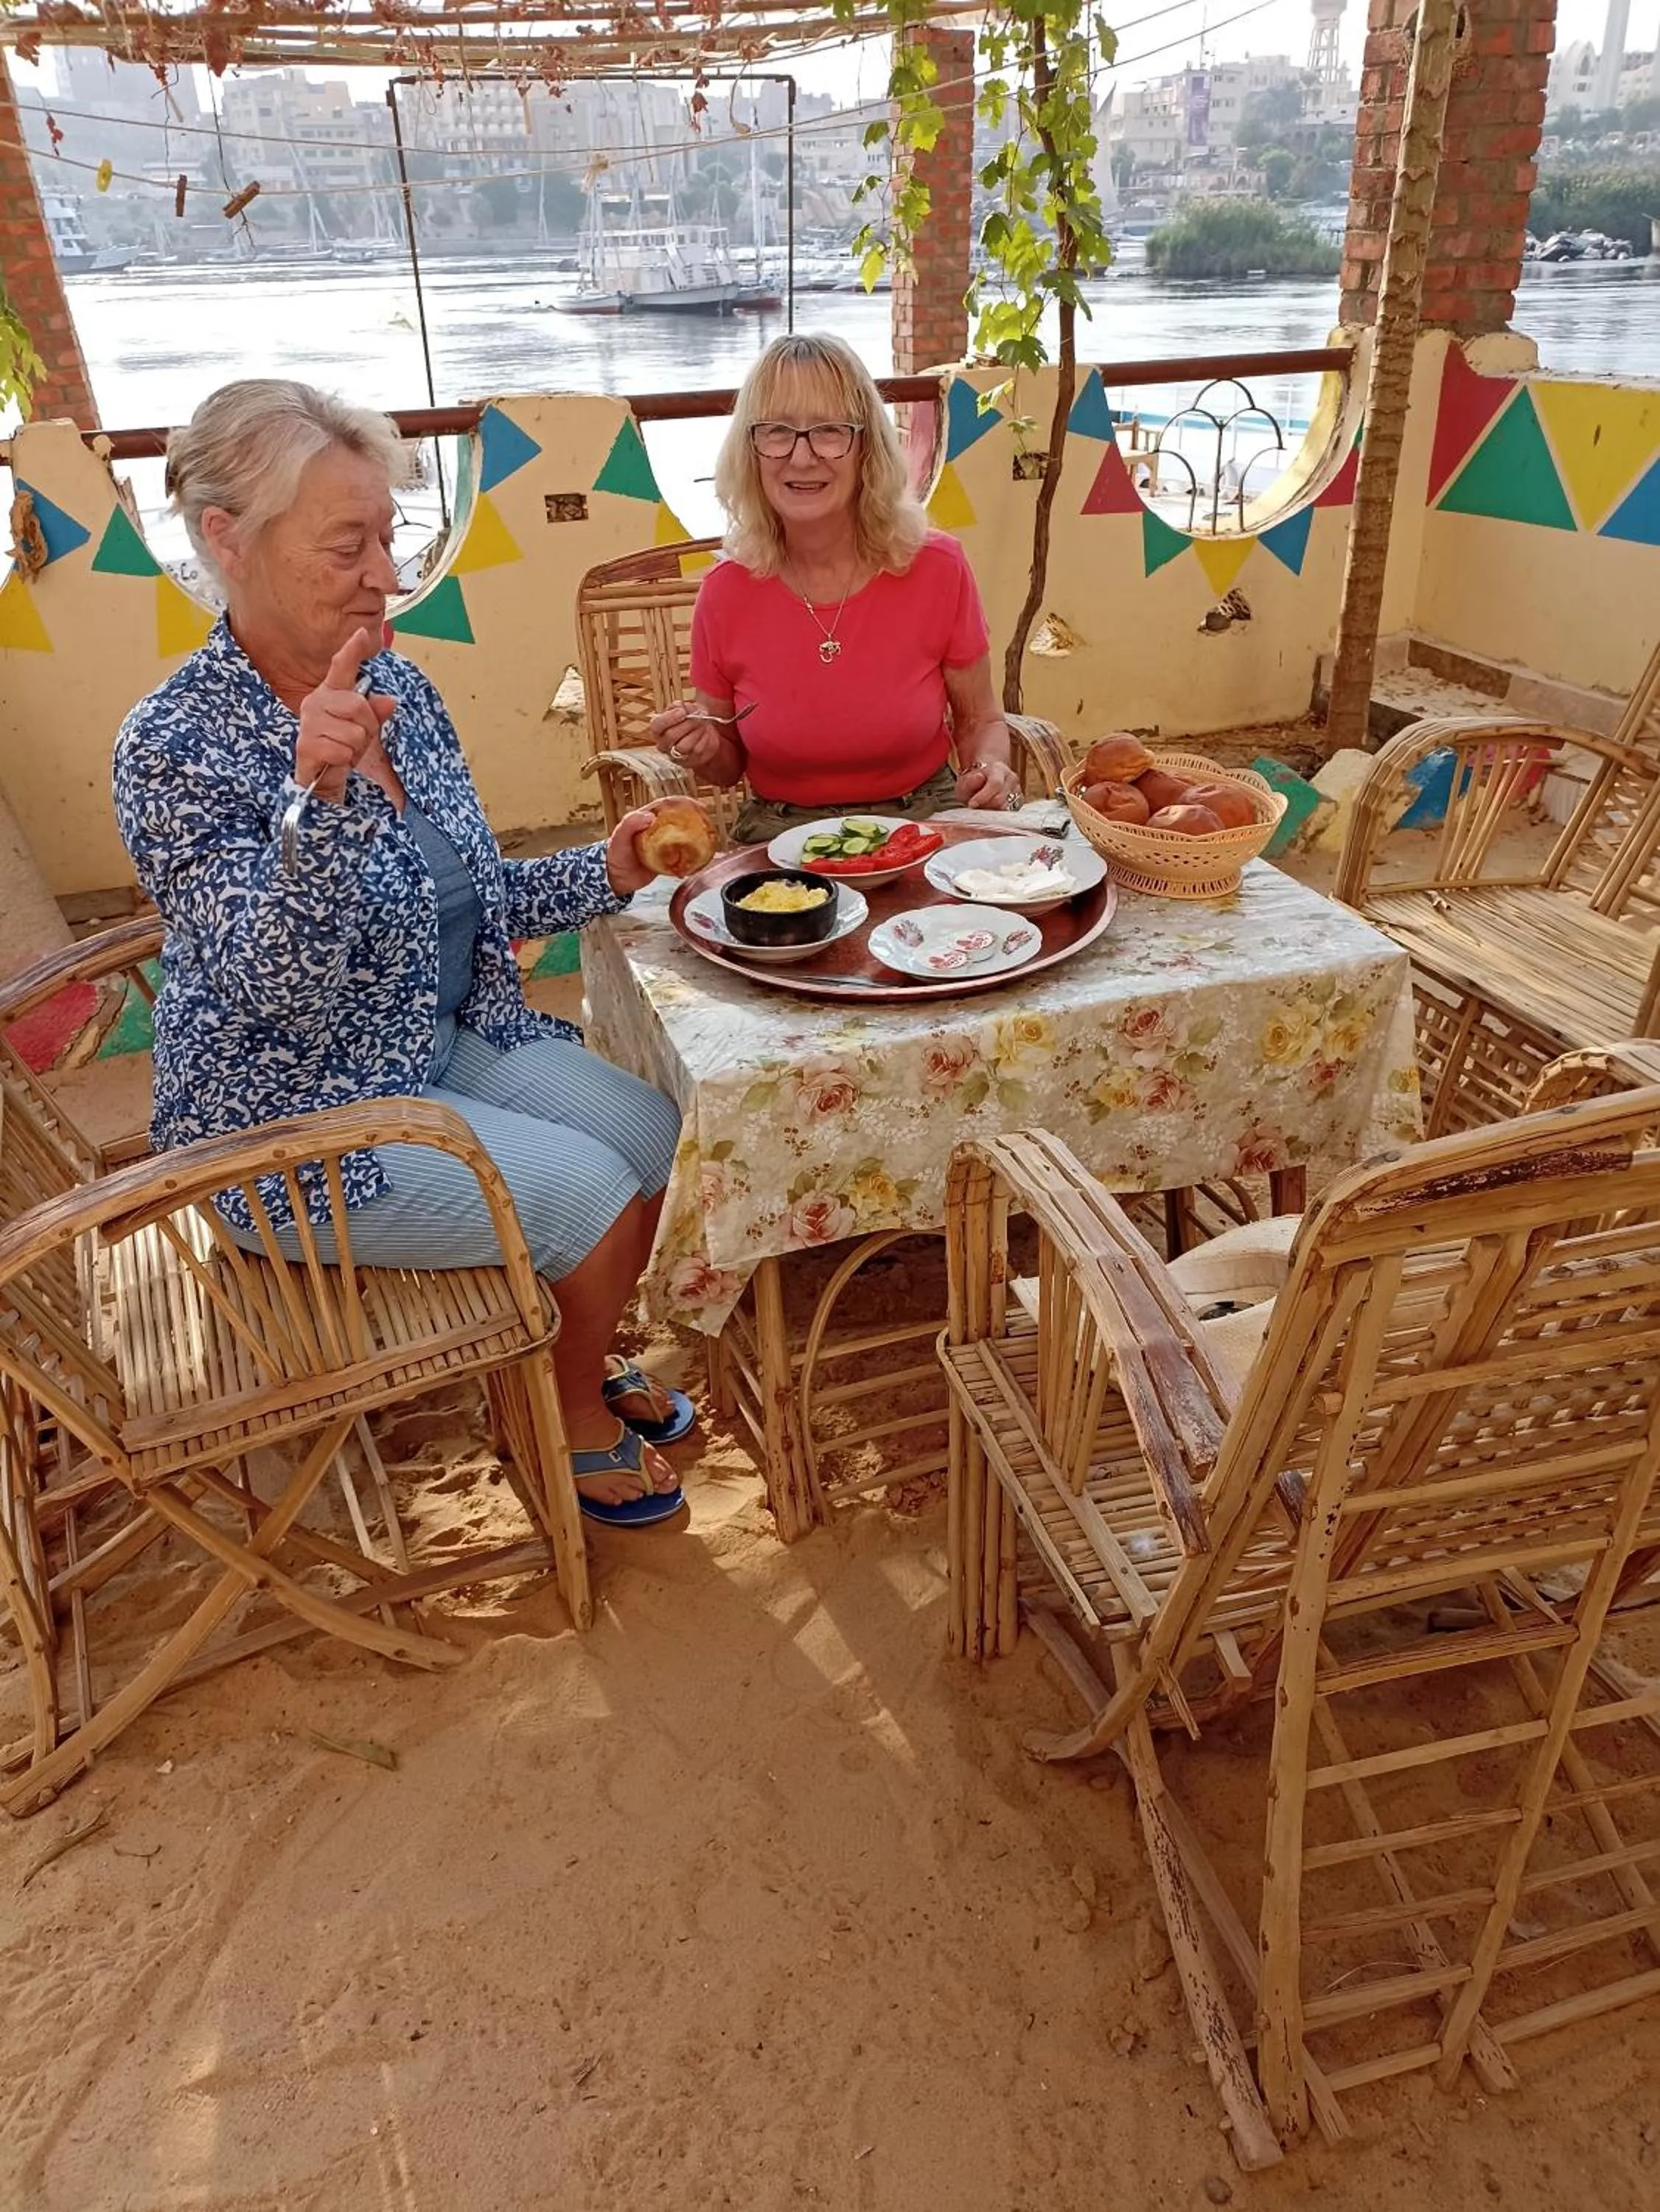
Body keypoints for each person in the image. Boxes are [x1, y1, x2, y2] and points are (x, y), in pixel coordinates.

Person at [113, 379, 702, 1529]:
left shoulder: (399, 683)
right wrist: (316, 800)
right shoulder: (171, 745)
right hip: (287, 1124)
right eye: (349, 545)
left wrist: (610, 869)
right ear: (226, 540)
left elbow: (472, 898)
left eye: (390, 535)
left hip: (433, 1044)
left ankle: (570, 1342)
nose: (387, 573)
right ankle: (567, 1413)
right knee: (589, 1196)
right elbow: (281, 987)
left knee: (655, 1132)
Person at [649, 331, 1022, 844]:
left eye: (829, 431)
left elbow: (980, 719)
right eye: (777, 431)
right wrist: (700, 746)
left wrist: (990, 767)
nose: (802, 458)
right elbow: (725, 766)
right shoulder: (725, 591)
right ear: (750, 450)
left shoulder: (938, 567)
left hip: (926, 820)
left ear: (867, 446)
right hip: (781, 833)